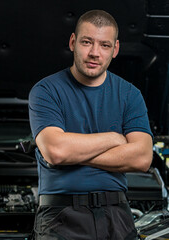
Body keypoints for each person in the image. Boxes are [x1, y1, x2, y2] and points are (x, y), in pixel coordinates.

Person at [28, 9, 153, 240]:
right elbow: (56, 151)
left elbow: (142, 158)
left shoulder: (130, 95)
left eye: (105, 45)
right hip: (60, 217)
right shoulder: (46, 91)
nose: (95, 53)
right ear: (73, 42)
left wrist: (73, 153)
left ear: (115, 50)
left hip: (117, 216)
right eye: (87, 42)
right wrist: (115, 139)